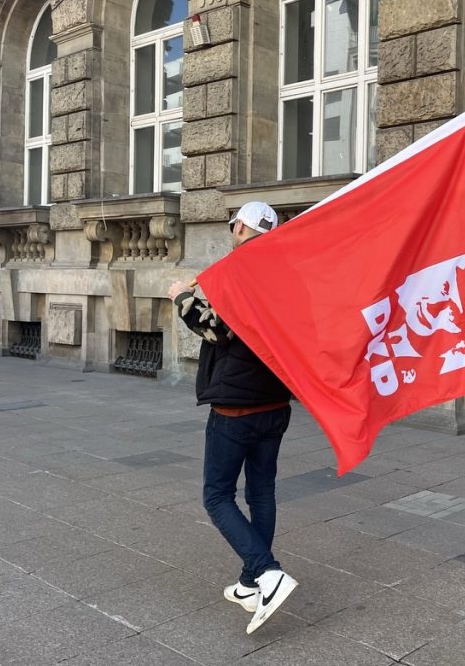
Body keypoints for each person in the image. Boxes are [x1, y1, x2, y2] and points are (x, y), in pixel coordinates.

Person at [167, 201, 297, 635]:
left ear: (239, 226)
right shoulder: (287, 275)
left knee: (217, 496)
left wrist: (181, 297)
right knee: (261, 493)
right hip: (275, 405)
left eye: (234, 225)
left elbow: (216, 329)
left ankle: (267, 571)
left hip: (235, 409)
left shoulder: (238, 271)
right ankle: (249, 583)